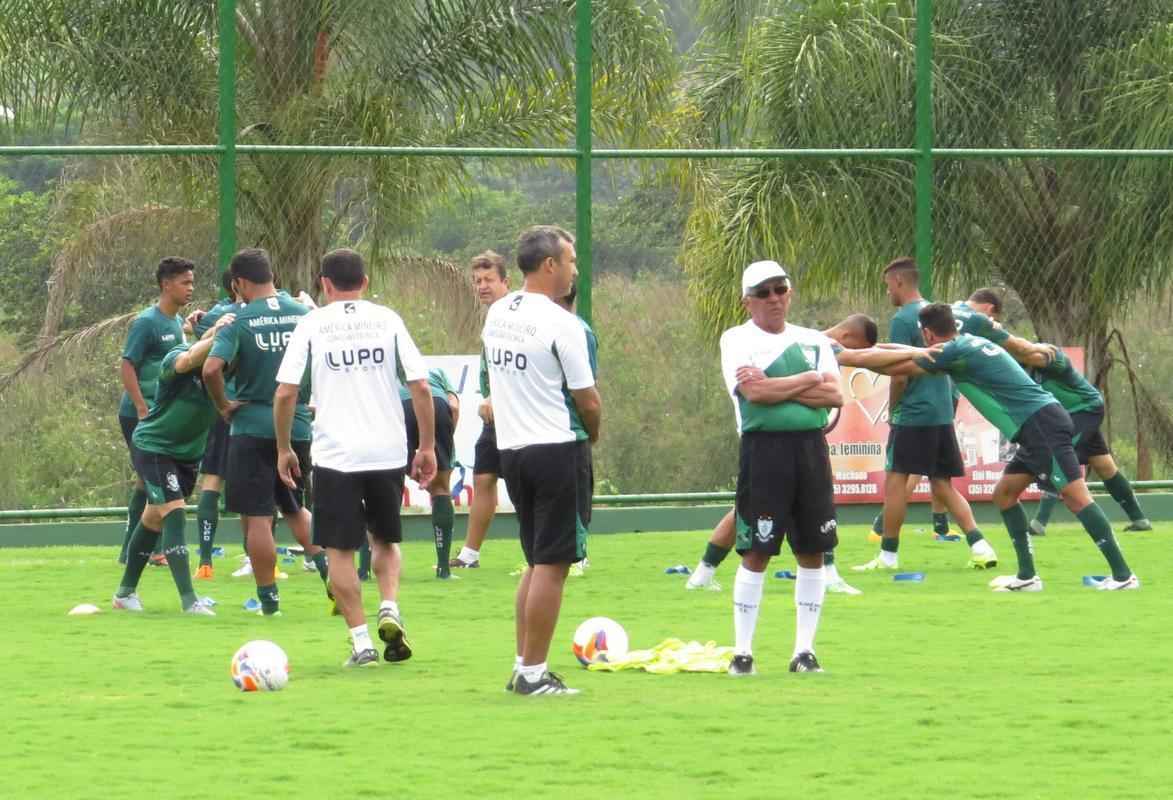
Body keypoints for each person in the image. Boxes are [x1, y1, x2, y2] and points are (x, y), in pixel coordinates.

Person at [892, 304, 1138, 591]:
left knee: (1075, 495)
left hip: (1048, 424)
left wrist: (847, 354)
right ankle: (1027, 576)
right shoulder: (977, 345)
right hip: (1035, 429)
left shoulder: (1042, 354)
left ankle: (1123, 576)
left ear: (927, 333)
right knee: (1005, 494)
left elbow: (901, 365)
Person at [686, 313, 936, 595]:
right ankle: (827, 574)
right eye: (857, 345)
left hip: (789, 436)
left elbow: (871, 359)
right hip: (776, 440)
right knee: (809, 510)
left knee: (745, 511)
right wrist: (808, 381)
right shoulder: (820, 346)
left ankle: (702, 573)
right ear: (847, 338)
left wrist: (925, 352)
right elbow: (870, 359)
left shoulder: (810, 340)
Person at [275, 248, 436, 667]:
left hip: (336, 455)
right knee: (385, 539)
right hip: (386, 451)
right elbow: (420, 386)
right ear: (364, 283)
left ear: (324, 285)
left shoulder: (313, 323)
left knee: (340, 551)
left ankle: (362, 642)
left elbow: (286, 392)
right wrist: (427, 447)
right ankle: (390, 606)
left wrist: (283, 447)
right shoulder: (388, 319)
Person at [484, 225, 599, 696]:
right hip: (556, 449)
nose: (574, 270)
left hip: (513, 452)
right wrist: (592, 438)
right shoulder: (563, 324)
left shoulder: (498, 312)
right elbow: (588, 401)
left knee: (535, 561)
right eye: (570, 261)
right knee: (553, 565)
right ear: (549, 265)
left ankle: (522, 665)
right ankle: (533, 674)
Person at [720, 260, 843, 676]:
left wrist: (789, 386)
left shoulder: (812, 340)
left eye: (780, 288)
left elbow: (836, 396)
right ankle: (742, 653)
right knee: (757, 551)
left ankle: (804, 652)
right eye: (764, 292)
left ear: (789, 292)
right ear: (747, 301)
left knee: (812, 550)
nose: (774, 298)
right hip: (764, 452)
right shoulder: (736, 339)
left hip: (811, 450)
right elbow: (753, 394)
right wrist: (809, 381)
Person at [202, 248, 330, 616]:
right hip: (297, 427)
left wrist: (224, 406)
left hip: (252, 427)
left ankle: (269, 602)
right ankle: (336, 587)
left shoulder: (238, 319)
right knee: (296, 510)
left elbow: (211, 369)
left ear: (239, 283)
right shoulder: (304, 314)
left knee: (258, 516)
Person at [855, 259, 998, 573]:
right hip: (942, 411)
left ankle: (888, 557)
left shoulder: (904, 319)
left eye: (888, 285)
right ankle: (980, 545)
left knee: (895, 482)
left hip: (914, 413)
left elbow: (898, 372)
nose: (888, 291)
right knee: (943, 485)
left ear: (899, 282)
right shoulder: (938, 312)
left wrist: (894, 411)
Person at [113, 311, 239, 613]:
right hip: (154, 446)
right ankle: (189, 600)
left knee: (153, 517)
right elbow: (188, 359)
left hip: (186, 455)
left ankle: (124, 594)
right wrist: (214, 335)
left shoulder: (227, 372)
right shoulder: (175, 357)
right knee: (174, 512)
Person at [116, 257, 194, 567]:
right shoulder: (147, 322)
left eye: (191, 282)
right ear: (166, 284)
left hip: (159, 414)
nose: (191, 288)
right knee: (154, 479)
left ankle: (130, 550)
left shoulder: (177, 322)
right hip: (139, 414)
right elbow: (126, 365)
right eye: (184, 282)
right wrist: (140, 406)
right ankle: (155, 549)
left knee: (144, 481)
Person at [1025, 348, 1151, 534]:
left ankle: (1038, 524)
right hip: (1069, 415)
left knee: (1057, 457)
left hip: (1085, 409)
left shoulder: (1051, 360)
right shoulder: (1024, 371)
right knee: (1104, 466)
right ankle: (1140, 520)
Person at [451, 251, 512, 569]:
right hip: (495, 415)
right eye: (477, 281)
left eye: (489, 279)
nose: (482, 286)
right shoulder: (491, 316)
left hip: (519, 414)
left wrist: (498, 398)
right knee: (484, 476)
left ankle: (552, 555)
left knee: (525, 483)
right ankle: (469, 554)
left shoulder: (513, 315)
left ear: (506, 281)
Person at [190, 269, 245, 579]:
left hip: (221, 406)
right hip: (252, 409)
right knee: (259, 486)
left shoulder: (217, 314)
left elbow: (198, 344)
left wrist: (196, 323)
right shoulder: (262, 313)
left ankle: (206, 562)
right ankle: (263, 560)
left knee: (212, 480)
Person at [555, 282, 598, 578]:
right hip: (545, 433)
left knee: (576, 494)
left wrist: (590, 430)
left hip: (571, 430)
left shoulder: (578, 330)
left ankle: (578, 556)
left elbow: (587, 390)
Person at [402, 367, 459, 579]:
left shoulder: (388, 367)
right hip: (436, 406)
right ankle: (444, 569)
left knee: (382, 484)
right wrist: (444, 445)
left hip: (400, 407)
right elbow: (453, 407)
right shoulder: (437, 372)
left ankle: (364, 570)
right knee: (441, 489)